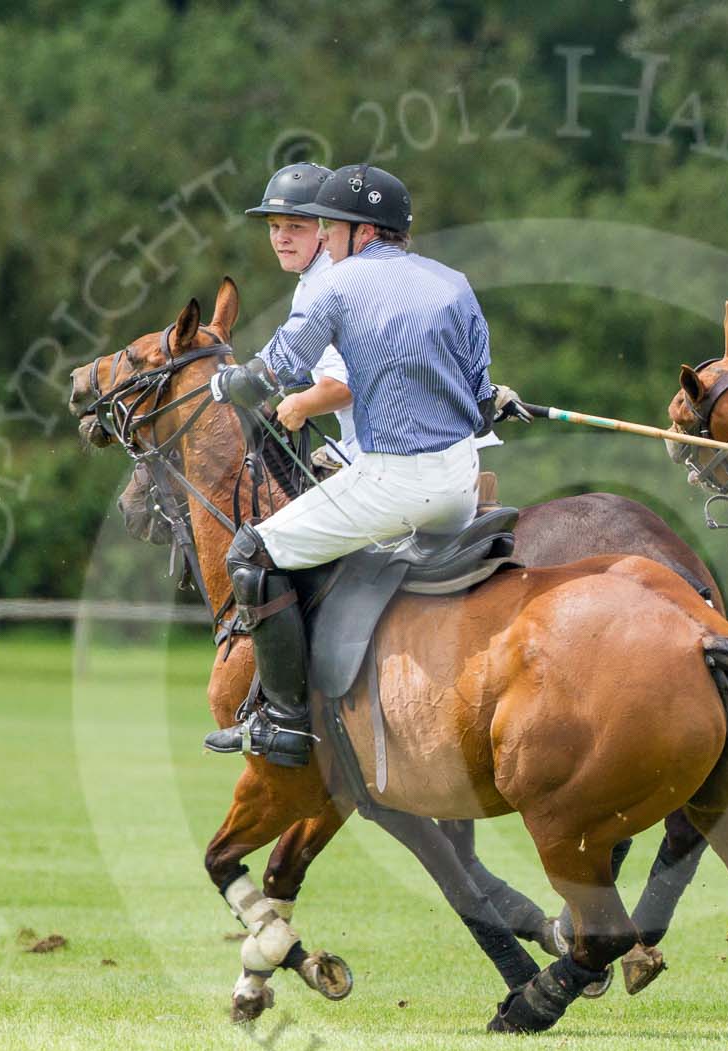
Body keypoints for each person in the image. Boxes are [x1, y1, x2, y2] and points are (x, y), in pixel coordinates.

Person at [201, 164, 527, 766]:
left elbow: (275, 372)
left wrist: (225, 383)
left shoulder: (337, 286)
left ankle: (286, 721)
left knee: (250, 552)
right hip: (460, 479)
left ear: (363, 232)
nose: (323, 239)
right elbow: (482, 399)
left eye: (330, 227)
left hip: (396, 483)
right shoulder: (452, 281)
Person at [243, 161, 360, 459]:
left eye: (295, 226)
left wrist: (300, 405)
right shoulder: (315, 279)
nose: (281, 238)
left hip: (387, 457)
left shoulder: (331, 282)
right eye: (274, 226)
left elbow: (346, 386)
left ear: (326, 228)